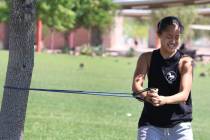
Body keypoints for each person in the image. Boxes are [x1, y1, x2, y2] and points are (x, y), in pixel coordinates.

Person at [132, 16, 193, 140]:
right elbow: (136, 86)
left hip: (180, 125)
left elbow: (184, 95)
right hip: (150, 124)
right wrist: (146, 96)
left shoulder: (186, 61)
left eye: (177, 36)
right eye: (169, 36)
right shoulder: (146, 58)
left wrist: (163, 100)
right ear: (159, 35)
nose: (173, 40)